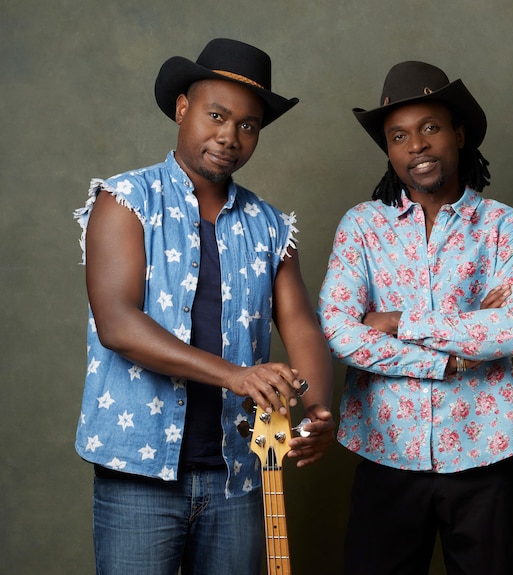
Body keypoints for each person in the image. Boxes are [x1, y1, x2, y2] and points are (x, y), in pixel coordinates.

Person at [73, 38, 334, 575]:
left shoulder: (270, 225)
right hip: (138, 475)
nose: (230, 137)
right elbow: (118, 324)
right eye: (217, 115)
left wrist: (319, 410)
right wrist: (235, 376)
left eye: (248, 125)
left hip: (239, 474)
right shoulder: (125, 201)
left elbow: (301, 325)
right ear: (182, 108)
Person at [317, 61, 513, 574]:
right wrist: (453, 357)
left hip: (485, 454)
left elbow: (512, 330)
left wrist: (398, 322)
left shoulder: (505, 227)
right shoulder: (363, 227)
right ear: (389, 150)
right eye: (399, 136)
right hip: (385, 452)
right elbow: (341, 333)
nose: (416, 145)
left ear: (459, 134)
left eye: (430, 128)